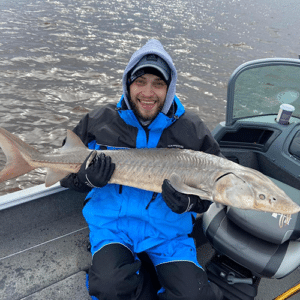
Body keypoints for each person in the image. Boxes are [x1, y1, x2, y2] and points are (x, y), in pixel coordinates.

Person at [61, 39, 223, 300]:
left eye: (158, 84)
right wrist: (86, 178)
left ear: (169, 89)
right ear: (128, 84)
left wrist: (190, 203)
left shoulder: (193, 130)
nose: (148, 93)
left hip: (167, 231)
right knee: (109, 288)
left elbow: (214, 187)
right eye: (140, 82)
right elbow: (64, 174)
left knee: (194, 296)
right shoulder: (99, 120)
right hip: (113, 226)